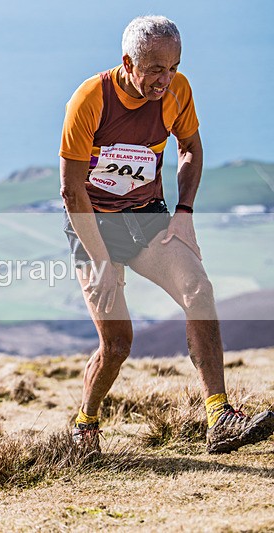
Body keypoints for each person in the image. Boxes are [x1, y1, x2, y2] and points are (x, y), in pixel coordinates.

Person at [59, 15, 274, 454]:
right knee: (118, 344)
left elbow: (191, 148)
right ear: (127, 62)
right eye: (155, 68)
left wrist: (184, 212)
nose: (166, 79)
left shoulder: (177, 91)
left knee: (199, 288)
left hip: (147, 217)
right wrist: (100, 261)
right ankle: (86, 423)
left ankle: (220, 416)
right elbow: (70, 190)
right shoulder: (89, 100)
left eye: (174, 66)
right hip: (93, 225)